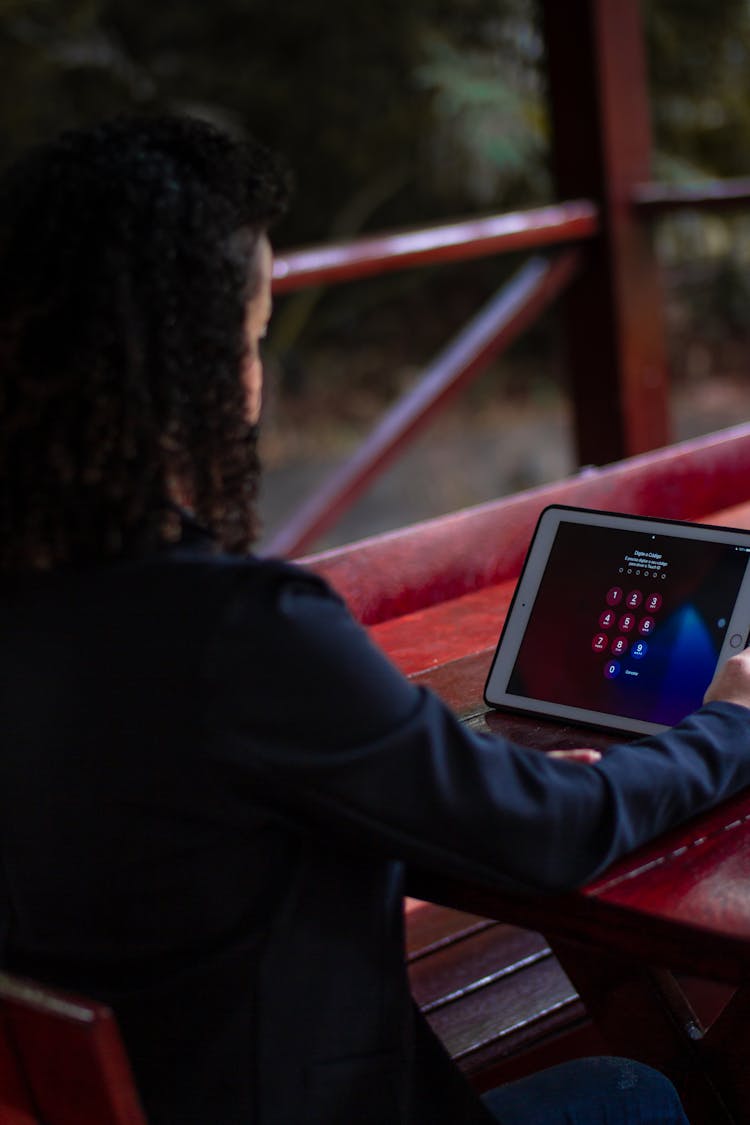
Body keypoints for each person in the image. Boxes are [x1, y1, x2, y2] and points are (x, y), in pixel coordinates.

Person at [0, 115, 749, 1125]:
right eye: (251, 338)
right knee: (632, 1092)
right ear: (185, 372)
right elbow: (549, 838)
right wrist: (733, 720)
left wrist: (443, 768)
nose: (256, 381)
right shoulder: (236, 633)